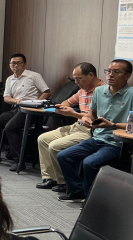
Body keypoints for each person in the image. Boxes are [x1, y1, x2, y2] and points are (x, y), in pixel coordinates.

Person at [56, 59, 133, 202]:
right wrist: (86, 118)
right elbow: (92, 113)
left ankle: (92, 200)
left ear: (127, 75)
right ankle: (77, 191)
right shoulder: (99, 91)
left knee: (90, 162)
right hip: (97, 138)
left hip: (117, 142)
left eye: (116, 72)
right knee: (64, 156)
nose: (110, 75)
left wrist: (112, 125)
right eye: (109, 71)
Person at [36, 62, 103, 191]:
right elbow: (67, 102)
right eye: (75, 79)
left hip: (90, 130)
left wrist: (73, 113)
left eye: (79, 79)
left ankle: (63, 182)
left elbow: (93, 117)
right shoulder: (82, 90)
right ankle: (50, 178)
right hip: (76, 126)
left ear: (91, 75)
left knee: (55, 146)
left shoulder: (102, 91)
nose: (76, 82)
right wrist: (62, 107)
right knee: (43, 139)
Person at [0, 53, 50, 171]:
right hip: (16, 108)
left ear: (25, 64)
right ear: (10, 65)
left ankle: (19, 161)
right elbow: (6, 98)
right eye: (13, 63)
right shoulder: (9, 79)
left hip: (30, 111)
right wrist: (17, 101)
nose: (16, 66)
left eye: (19, 63)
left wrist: (36, 103)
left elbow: (47, 92)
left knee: (10, 127)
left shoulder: (33, 76)